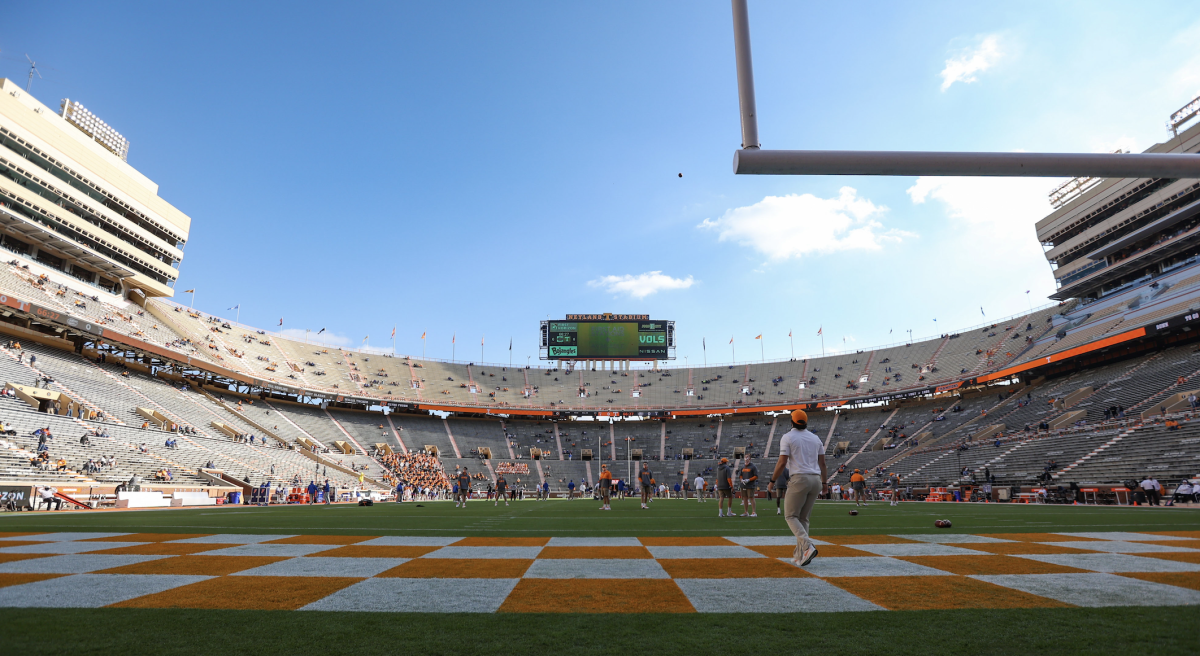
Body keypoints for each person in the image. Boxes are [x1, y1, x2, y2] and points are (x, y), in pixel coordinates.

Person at [767, 410, 827, 567]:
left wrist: (772, 481)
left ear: (792, 422)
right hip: (816, 480)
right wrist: (825, 483)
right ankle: (801, 555)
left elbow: (781, 463)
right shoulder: (816, 438)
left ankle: (807, 546)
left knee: (790, 516)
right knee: (803, 518)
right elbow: (823, 464)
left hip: (799, 479)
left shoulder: (788, 437)